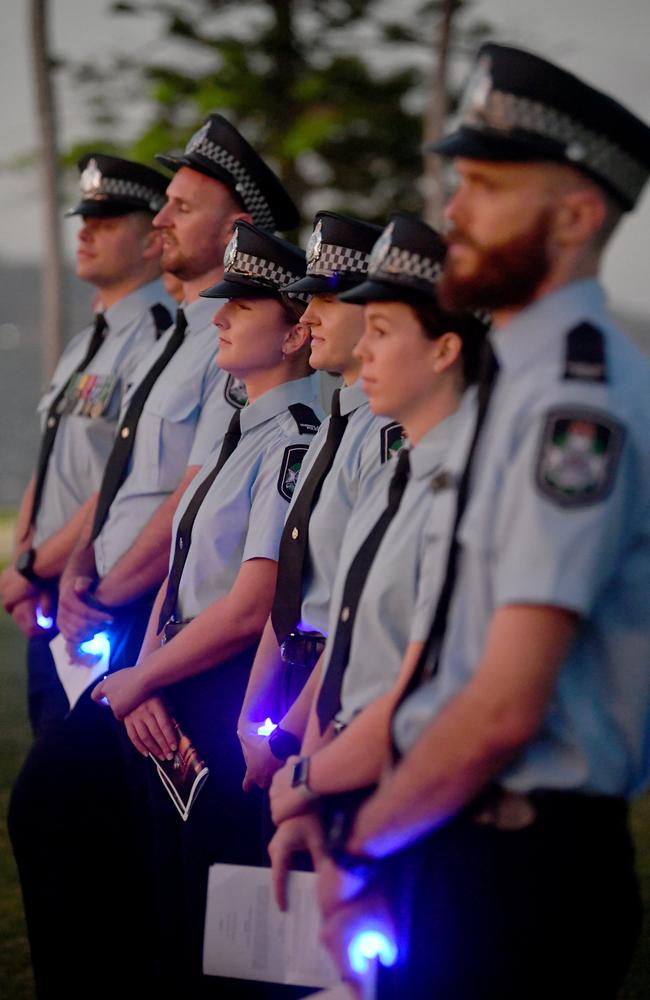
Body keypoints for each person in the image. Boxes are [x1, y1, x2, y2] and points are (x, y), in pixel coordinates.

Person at [318, 43, 650, 1000]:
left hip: (516, 865)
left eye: (487, 186)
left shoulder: (573, 406)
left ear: (578, 215)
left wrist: (362, 846)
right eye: (458, 181)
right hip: (452, 830)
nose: (453, 210)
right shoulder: (520, 385)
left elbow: (504, 705)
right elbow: (444, 658)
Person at [8, 115, 299, 1000]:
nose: (162, 220)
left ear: (238, 229)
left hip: (161, 631)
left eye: (180, 205)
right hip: (133, 622)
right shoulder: (186, 334)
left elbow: (190, 496)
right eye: (164, 205)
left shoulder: (240, 358)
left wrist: (101, 592)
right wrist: (56, 566)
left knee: (117, 841)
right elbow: (118, 472)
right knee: (117, 845)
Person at [92, 221, 322, 995]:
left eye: (243, 306)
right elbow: (179, 573)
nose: (218, 316)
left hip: (220, 695)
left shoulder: (293, 441)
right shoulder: (239, 435)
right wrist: (145, 674)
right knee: (163, 915)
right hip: (171, 683)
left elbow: (251, 603)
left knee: (219, 944)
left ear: (296, 332)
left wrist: (143, 676)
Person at [266, 214, 487, 907]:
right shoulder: (402, 473)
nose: (368, 355)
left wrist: (304, 778)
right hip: (348, 776)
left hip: (421, 808)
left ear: (446, 350)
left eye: (383, 333)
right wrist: (307, 773)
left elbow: (417, 686)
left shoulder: (472, 491)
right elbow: (354, 647)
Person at [0, 153, 172, 736]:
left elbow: (121, 479)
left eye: (107, 222)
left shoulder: (158, 340)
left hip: (93, 595)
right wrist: (25, 559)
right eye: (85, 221)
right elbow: (50, 460)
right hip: (47, 586)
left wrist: (31, 566)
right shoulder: (84, 343)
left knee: (71, 801)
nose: (86, 233)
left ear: (153, 241)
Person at [236, 211, 407, 796]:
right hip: (292, 683)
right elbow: (292, 588)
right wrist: (251, 712)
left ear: (375, 311)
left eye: (324, 303)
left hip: (336, 694)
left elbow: (356, 608)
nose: (306, 317)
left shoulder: (387, 436)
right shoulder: (330, 432)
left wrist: (288, 735)